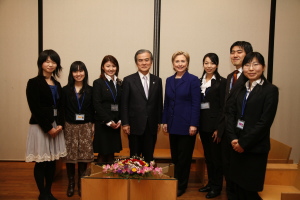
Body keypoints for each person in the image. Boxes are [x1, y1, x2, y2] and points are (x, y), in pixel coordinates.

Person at [227, 52, 279, 200]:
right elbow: (231, 114)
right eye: (247, 65)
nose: (251, 68)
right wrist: (233, 139)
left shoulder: (270, 90)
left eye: (255, 64)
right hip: (236, 145)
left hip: (254, 148)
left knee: (249, 190)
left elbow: (265, 122)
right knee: (236, 187)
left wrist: (243, 143)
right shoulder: (241, 88)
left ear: (263, 67)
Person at [26, 49, 67, 200]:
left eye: (53, 62)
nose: (50, 64)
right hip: (40, 127)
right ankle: (42, 194)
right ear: (41, 63)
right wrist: (48, 128)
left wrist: (60, 125)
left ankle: (48, 192)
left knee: (52, 161)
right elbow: (35, 108)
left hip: (56, 126)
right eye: (47, 61)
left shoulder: (57, 83)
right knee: (41, 161)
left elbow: (61, 107)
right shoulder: (33, 82)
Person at [162, 51, 200, 197]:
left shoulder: (193, 80)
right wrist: (164, 120)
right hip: (172, 124)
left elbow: (196, 104)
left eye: (183, 61)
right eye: (177, 61)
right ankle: (175, 180)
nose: (180, 64)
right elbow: (167, 103)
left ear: (187, 63)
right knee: (175, 157)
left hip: (187, 125)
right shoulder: (169, 80)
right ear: (173, 63)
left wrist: (194, 124)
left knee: (184, 158)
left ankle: (182, 185)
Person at [220, 41, 253, 199]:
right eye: (232, 52)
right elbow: (227, 106)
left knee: (241, 170)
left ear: (248, 55)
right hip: (228, 130)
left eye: (239, 52)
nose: (235, 55)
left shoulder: (250, 77)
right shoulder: (230, 77)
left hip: (242, 133)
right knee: (228, 166)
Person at [121, 49, 163, 163]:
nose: (144, 63)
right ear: (136, 63)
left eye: (146, 60)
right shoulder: (128, 80)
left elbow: (159, 103)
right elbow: (124, 104)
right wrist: (125, 123)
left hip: (151, 125)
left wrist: (159, 121)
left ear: (151, 62)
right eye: (140, 60)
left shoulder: (157, 80)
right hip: (134, 126)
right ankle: (134, 179)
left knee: (149, 157)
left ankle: (147, 179)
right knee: (134, 158)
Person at [62, 61, 94, 197]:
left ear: (85, 72)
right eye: (75, 71)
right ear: (71, 73)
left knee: (83, 157)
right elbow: (63, 109)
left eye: (81, 71)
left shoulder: (91, 90)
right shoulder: (65, 90)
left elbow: (93, 109)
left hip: (86, 126)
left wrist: (93, 124)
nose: (78, 74)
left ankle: (81, 183)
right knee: (70, 156)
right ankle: (71, 184)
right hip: (70, 126)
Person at [198, 53, 227, 199]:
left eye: (212, 63)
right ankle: (210, 183)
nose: (209, 66)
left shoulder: (222, 82)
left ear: (217, 65)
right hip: (202, 125)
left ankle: (217, 187)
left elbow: (224, 107)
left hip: (214, 127)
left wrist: (219, 128)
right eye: (206, 63)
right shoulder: (199, 81)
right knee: (208, 157)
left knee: (216, 158)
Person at [93, 55, 122, 165]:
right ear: (103, 67)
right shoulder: (98, 83)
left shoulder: (120, 83)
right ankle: (100, 179)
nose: (111, 68)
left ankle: (111, 179)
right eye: (108, 66)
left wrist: (119, 120)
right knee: (102, 153)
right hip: (103, 122)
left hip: (116, 123)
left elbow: (122, 103)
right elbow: (97, 104)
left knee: (111, 153)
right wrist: (109, 121)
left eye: (113, 66)